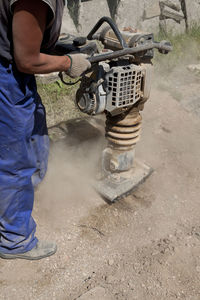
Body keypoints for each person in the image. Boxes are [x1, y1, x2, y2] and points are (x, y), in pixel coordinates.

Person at [0, 0, 91, 260]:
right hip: (7, 76)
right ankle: (15, 240)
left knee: (35, 128)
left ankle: (21, 197)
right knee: (15, 157)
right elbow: (27, 59)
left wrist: (56, 46)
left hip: (14, 74)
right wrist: (67, 63)